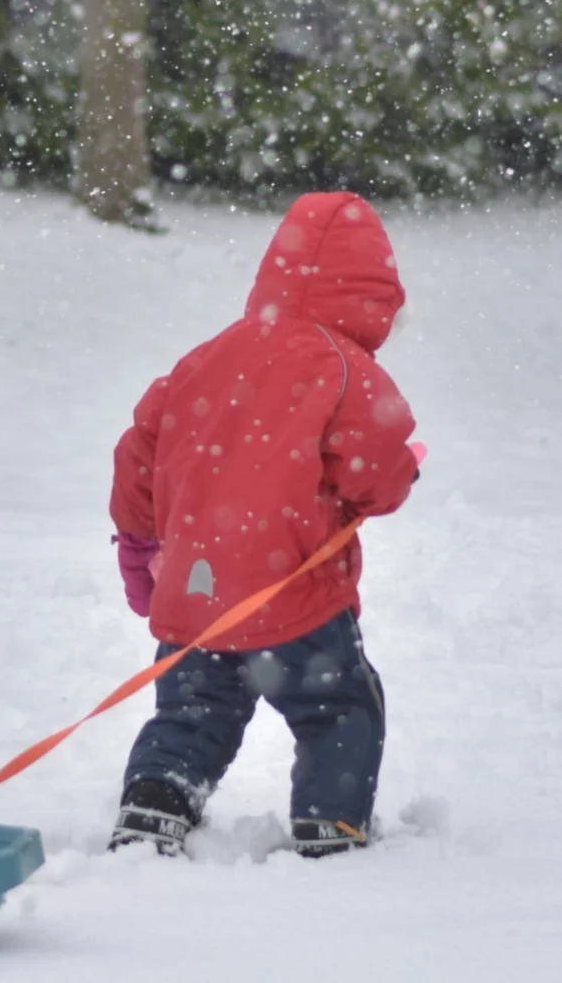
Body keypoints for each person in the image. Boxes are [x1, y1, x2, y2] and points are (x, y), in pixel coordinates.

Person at [106, 191, 421, 858]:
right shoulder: (345, 368)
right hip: (294, 600)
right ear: (375, 299)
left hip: (198, 596)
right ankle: (328, 823)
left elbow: (139, 452)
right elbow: (377, 473)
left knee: (191, 715)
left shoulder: (206, 358)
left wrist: (139, 547)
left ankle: (153, 804)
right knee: (341, 711)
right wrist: (403, 472)